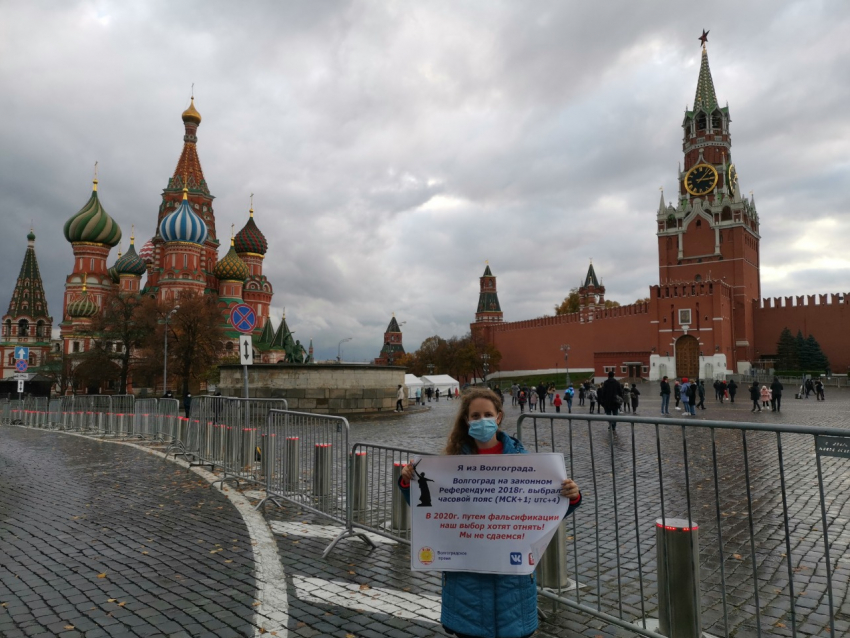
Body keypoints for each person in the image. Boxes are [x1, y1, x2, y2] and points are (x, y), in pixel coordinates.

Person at [397, 388, 581, 638]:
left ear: (499, 417)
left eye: (487, 414)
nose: (481, 420)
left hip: (512, 586)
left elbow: (546, 510)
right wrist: (409, 482)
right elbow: (428, 508)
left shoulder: (524, 461)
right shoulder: (449, 465)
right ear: (466, 420)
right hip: (466, 584)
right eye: (475, 415)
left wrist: (571, 496)